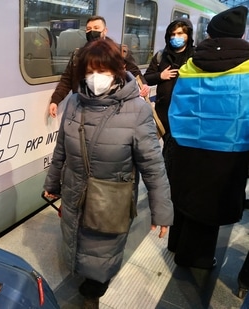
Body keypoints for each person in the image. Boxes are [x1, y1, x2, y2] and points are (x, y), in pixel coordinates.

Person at [43, 39, 173, 308]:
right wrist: (52, 182)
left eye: (102, 71)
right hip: (74, 191)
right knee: (75, 242)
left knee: (100, 255)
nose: (95, 78)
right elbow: (61, 150)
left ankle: (94, 291)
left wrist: (161, 210)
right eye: (89, 72)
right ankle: (86, 280)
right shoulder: (75, 103)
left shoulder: (136, 110)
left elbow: (152, 164)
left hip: (111, 198)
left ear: (118, 69)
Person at [167, 6, 249, 272]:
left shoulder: (192, 63)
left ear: (211, 33)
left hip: (187, 145)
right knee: (211, 204)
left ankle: (176, 244)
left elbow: (178, 104)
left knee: (185, 195)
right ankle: (198, 258)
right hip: (228, 151)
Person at [48, 15, 150, 118]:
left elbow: (135, 74)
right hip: (82, 108)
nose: (92, 31)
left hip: (113, 110)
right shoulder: (78, 55)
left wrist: (143, 85)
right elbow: (67, 79)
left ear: (105, 30)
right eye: (88, 29)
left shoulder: (119, 52)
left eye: (96, 28)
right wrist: (55, 100)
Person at [143, 18, 194, 175]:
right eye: (172, 34)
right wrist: (161, 75)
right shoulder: (161, 56)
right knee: (168, 147)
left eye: (180, 33)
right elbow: (147, 78)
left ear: (188, 35)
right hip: (163, 113)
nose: (176, 37)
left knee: (179, 151)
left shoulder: (195, 56)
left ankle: (173, 179)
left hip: (186, 113)